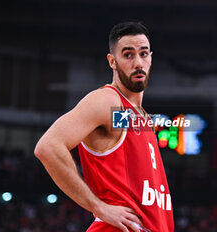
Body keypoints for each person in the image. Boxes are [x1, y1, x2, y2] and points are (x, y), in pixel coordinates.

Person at [34, 22, 174, 232]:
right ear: (112, 61)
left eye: (144, 54)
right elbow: (48, 147)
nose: (138, 63)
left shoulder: (141, 118)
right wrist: (98, 207)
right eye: (128, 55)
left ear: (151, 58)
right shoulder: (107, 102)